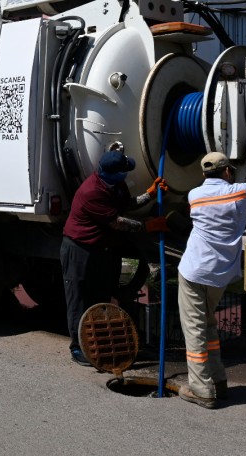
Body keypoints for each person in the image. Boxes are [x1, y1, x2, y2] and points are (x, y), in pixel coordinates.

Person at [177, 151, 246, 408]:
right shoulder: (240, 193)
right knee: (208, 325)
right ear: (228, 171)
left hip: (193, 272)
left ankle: (202, 390)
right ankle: (218, 382)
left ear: (203, 174)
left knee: (195, 329)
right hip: (219, 276)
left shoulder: (194, 196)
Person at [60, 148, 169, 366]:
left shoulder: (115, 185)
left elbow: (125, 205)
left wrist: (149, 193)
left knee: (101, 296)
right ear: (116, 174)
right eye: (125, 170)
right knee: (79, 298)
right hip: (79, 249)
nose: (128, 172)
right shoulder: (91, 191)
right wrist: (147, 226)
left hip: (102, 248)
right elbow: (117, 221)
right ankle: (78, 347)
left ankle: (100, 340)